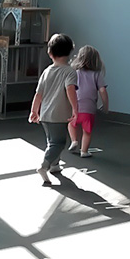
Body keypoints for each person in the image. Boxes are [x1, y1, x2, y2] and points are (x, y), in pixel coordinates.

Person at [29, 33, 78, 186]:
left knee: (52, 141)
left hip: (45, 115)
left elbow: (38, 94)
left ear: (50, 53)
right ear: (70, 52)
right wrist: (75, 109)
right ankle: (44, 166)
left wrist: (34, 111)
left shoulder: (47, 71)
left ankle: (55, 165)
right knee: (59, 143)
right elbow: (70, 89)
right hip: (58, 115)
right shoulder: (69, 72)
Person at [67, 45, 108, 158]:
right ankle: (84, 151)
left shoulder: (74, 72)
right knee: (87, 131)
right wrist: (105, 106)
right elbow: (103, 90)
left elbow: (69, 87)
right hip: (89, 107)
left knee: (71, 124)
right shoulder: (97, 74)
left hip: (75, 105)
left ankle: (74, 141)